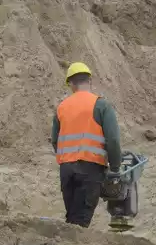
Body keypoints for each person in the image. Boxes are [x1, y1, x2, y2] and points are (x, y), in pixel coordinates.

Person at [50, 62, 123, 228]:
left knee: (72, 217)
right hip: (90, 169)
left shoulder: (62, 107)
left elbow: (55, 140)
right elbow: (113, 139)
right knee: (81, 222)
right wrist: (115, 167)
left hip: (66, 170)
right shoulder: (101, 105)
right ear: (90, 80)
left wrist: (67, 158)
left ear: (71, 84)